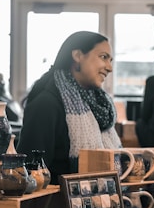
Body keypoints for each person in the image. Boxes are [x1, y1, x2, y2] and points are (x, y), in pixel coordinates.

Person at [17, 31, 122, 185]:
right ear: (78, 56)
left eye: (110, 60)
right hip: (57, 205)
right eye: (103, 57)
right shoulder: (46, 104)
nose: (109, 67)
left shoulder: (97, 105)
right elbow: (28, 174)